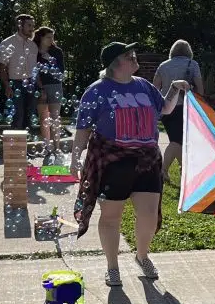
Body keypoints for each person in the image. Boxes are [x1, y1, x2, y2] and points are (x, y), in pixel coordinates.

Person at [70, 41, 181, 286]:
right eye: (129, 55)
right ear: (116, 63)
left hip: (147, 159)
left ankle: (142, 256)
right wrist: (75, 158)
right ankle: (112, 266)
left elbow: (166, 109)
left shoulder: (143, 86)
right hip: (113, 161)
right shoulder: (97, 90)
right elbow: (83, 129)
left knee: (149, 215)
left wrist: (174, 89)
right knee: (111, 217)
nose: (134, 58)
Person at [152, 40, 206, 183]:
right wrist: (200, 106)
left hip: (166, 108)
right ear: (189, 52)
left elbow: (154, 88)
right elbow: (200, 88)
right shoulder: (192, 64)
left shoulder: (163, 65)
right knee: (177, 141)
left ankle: (184, 169)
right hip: (184, 107)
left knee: (178, 140)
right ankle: (163, 171)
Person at [0, 14, 39, 130]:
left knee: (29, 117)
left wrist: (38, 86)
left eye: (33, 25)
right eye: (29, 25)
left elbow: (35, 69)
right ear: (20, 26)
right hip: (15, 84)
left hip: (31, 84)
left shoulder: (33, 46)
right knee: (17, 116)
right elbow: (2, 67)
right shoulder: (7, 43)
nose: (32, 28)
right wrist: (7, 86)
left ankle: (25, 146)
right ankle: (15, 146)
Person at [33, 27, 65, 162]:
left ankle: (57, 148)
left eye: (53, 37)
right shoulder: (34, 51)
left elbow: (61, 73)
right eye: (48, 37)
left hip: (55, 86)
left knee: (55, 118)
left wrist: (50, 61)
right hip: (39, 87)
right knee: (44, 119)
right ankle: (47, 148)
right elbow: (33, 72)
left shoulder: (56, 52)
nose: (51, 40)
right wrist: (40, 88)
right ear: (41, 37)